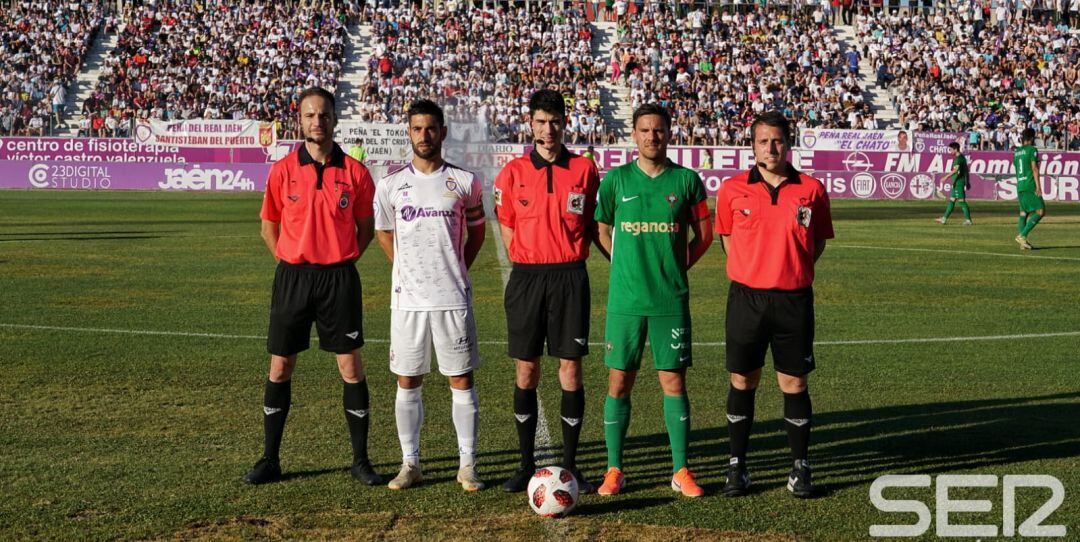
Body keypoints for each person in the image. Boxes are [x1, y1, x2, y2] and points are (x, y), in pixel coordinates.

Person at [245, 87, 380, 486]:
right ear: (299, 121)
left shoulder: (355, 173)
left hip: (339, 277)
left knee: (350, 367)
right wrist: (289, 259)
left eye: (323, 115)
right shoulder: (283, 170)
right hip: (293, 277)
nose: (316, 122)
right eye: (309, 115)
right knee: (280, 366)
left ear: (334, 120)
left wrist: (342, 259)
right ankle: (270, 459)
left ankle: (360, 461)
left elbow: (366, 228)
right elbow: (268, 225)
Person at [594, 103, 713, 497]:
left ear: (668, 133)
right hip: (626, 302)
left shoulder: (686, 180)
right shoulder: (616, 180)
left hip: (669, 301)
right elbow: (601, 229)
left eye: (658, 130)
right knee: (619, 382)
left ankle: (680, 470)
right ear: (634, 134)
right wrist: (621, 264)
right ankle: (614, 469)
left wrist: (679, 269)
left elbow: (705, 235)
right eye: (644, 130)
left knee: (673, 382)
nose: (651, 136)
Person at [714, 111, 834, 499]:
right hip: (747, 299)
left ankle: (800, 467)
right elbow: (727, 239)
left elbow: (816, 243)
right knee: (742, 380)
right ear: (752, 145)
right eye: (763, 141)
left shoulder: (811, 189)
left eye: (778, 140)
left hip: (793, 300)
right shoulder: (733, 189)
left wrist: (789, 270)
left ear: (788, 142)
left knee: (794, 382)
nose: (771, 147)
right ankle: (737, 466)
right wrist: (753, 270)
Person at [374, 99, 487, 491]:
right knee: (407, 381)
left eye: (431, 128)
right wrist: (403, 268)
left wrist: (456, 268)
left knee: (461, 380)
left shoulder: (465, 182)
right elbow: (384, 233)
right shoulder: (390, 185)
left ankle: (467, 465)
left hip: (452, 299)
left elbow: (477, 233)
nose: (424, 135)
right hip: (408, 301)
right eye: (417, 128)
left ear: (443, 131)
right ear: (409, 132)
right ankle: (410, 464)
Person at [495, 89, 601, 494]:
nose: (548, 129)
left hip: (570, 277)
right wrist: (527, 256)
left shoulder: (585, 170)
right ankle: (525, 465)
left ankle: (571, 466)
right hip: (527, 277)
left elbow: (594, 223)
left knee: (570, 369)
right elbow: (507, 225)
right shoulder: (513, 172)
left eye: (554, 121)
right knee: (527, 369)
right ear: (531, 123)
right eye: (540, 121)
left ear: (564, 123)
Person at [1013, 128, 1046, 249]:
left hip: (1020, 185)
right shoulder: (1032, 150)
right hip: (1030, 184)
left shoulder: (1017, 152)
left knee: (1023, 213)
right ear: (1031, 138)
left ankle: (1023, 243)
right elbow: (1034, 169)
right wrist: (1038, 186)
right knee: (1040, 211)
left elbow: (1016, 168)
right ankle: (1022, 235)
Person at [936, 143, 973, 225]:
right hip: (957, 182)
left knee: (961, 201)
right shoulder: (962, 157)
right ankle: (944, 219)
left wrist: (945, 177)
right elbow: (966, 170)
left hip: (959, 183)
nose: (950, 151)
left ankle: (968, 220)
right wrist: (967, 181)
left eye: (951, 149)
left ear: (955, 149)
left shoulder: (958, 159)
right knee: (952, 201)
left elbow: (955, 170)